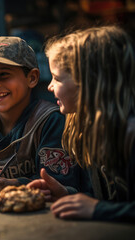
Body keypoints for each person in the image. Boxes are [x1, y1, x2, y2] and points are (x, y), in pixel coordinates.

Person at [0, 36, 89, 194]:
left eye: (4, 74)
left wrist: (13, 184)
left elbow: (59, 183)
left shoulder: (51, 120)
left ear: (32, 78)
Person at [27, 26, 135, 221]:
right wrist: (66, 195)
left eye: (57, 78)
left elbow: (106, 206)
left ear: (89, 81)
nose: (50, 86)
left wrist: (98, 210)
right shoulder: (92, 130)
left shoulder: (130, 133)